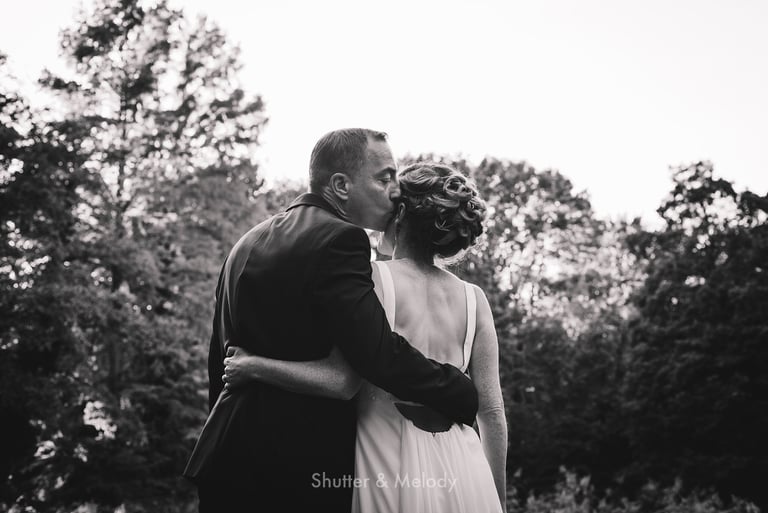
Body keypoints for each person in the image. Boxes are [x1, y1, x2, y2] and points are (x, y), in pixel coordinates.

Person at [182, 130, 478, 512]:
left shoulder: (245, 243)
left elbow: (218, 365)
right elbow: (377, 353)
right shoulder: (343, 240)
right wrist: (457, 389)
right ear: (340, 184)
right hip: (295, 467)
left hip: (222, 456)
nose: (395, 192)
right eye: (384, 178)